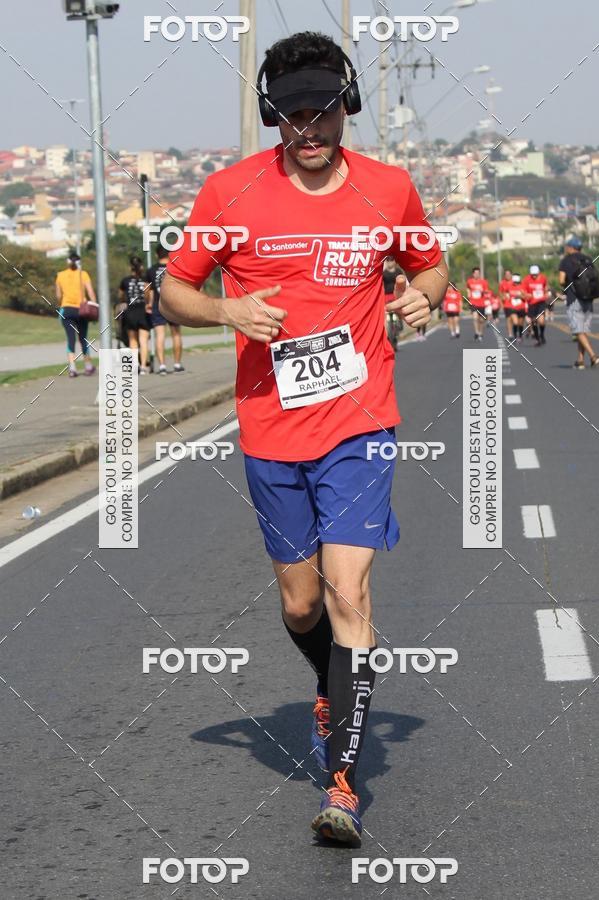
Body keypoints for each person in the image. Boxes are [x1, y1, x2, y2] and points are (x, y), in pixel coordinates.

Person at [160, 30, 449, 846]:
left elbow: (431, 263)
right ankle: (332, 679)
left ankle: (343, 784)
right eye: (292, 115)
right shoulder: (230, 193)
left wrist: (424, 295)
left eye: (323, 112)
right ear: (271, 117)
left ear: (346, 106)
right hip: (269, 426)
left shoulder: (388, 190)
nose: (310, 130)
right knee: (300, 603)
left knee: (349, 592)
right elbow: (174, 290)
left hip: (361, 422)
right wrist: (227, 311)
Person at [559, 236, 599, 369]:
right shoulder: (588, 259)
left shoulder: (566, 260)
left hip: (574, 298)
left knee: (578, 331)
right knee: (582, 330)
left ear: (570, 247)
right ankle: (580, 360)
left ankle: (593, 356)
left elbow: (561, 280)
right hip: (588, 298)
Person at [55, 251, 97, 378]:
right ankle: (88, 366)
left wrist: (61, 303)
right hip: (82, 310)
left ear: (68, 261)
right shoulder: (83, 274)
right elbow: (90, 292)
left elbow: (58, 295)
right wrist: (94, 306)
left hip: (67, 309)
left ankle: (72, 368)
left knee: (70, 339)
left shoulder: (60, 275)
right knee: (83, 338)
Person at [146, 246, 185, 374]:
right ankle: (177, 364)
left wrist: (148, 303)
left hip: (158, 304)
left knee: (160, 334)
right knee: (176, 334)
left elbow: (147, 290)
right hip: (174, 303)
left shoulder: (151, 270)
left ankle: (162, 365)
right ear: (169, 254)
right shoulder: (175, 267)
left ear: (157, 255)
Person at [119, 256, 151, 374]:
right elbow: (147, 295)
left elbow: (121, 296)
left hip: (130, 311)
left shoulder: (125, 281)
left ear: (130, 267)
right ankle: (143, 366)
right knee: (143, 340)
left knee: (132, 340)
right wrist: (147, 303)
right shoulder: (145, 280)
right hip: (142, 310)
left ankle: (135, 364)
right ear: (141, 267)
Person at [522, 264, 549, 346]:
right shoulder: (526, 279)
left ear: (538, 273)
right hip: (531, 303)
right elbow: (523, 291)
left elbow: (546, 287)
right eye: (532, 274)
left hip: (541, 302)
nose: (534, 276)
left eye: (535, 274)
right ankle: (537, 339)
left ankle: (542, 335)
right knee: (533, 321)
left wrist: (546, 293)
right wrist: (527, 294)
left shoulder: (543, 278)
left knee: (541, 321)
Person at [382, 256, 403, 351]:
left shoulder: (398, 272)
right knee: (385, 317)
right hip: (386, 296)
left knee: (399, 312)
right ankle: (388, 335)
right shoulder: (384, 273)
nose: (390, 262)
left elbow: (403, 282)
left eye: (391, 260)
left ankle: (400, 324)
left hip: (396, 295)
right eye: (388, 260)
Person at [466, 266, 488, 340]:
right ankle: (476, 332)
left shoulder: (483, 282)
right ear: (473, 274)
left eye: (478, 273)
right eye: (475, 273)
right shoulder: (469, 281)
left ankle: (481, 332)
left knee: (481, 320)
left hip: (481, 303)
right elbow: (468, 289)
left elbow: (487, 291)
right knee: (475, 318)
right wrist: (468, 295)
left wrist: (482, 291)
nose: (477, 274)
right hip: (473, 302)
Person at [508, 273, 526, 342]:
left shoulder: (523, 286)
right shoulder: (509, 286)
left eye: (517, 282)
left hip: (521, 307)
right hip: (513, 308)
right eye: (514, 282)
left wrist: (520, 296)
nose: (516, 283)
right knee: (515, 322)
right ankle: (515, 336)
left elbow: (526, 296)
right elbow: (505, 294)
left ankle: (520, 336)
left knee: (520, 323)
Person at [498, 269, 513, 338]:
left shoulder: (515, 282)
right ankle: (510, 334)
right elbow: (500, 293)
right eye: (506, 274)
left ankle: (515, 330)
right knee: (508, 319)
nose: (507, 276)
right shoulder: (502, 283)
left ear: (511, 275)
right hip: (507, 304)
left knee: (515, 320)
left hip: (516, 304)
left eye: (509, 274)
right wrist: (502, 301)